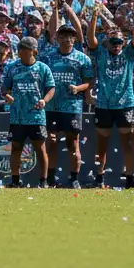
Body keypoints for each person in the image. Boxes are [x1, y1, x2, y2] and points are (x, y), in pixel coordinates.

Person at [89, 3, 134, 188]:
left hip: (125, 104)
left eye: (120, 42)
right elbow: (90, 39)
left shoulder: (128, 54)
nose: (116, 46)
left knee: (128, 143)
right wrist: (94, 16)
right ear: (107, 42)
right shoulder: (100, 54)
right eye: (113, 42)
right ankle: (99, 178)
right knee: (102, 144)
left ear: (124, 42)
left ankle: (129, 179)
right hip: (103, 104)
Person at [42, 22, 94, 190]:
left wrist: (78, 88)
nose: (67, 39)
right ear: (57, 38)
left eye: (71, 36)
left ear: (75, 39)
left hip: (72, 106)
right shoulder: (47, 57)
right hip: (51, 106)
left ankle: (74, 179)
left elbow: (89, 82)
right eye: (63, 36)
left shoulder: (83, 58)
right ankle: (49, 178)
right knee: (51, 141)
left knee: (73, 143)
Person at [1, 36, 56, 188]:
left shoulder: (43, 68)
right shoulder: (12, 67)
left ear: (34, 51)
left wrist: (44, 100)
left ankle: (43, 181)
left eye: (25, 49)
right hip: (17, 116)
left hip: (36, 116)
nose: (20, 51)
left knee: (40, 148)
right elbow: (4, 87)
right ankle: (15, 181)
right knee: (16, 148)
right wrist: (6, 95)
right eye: (20, 48)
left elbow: (51, 88)